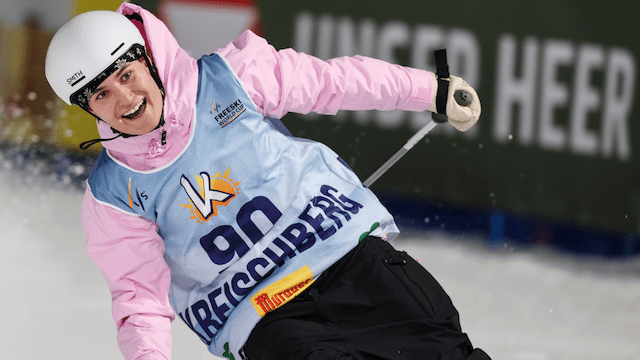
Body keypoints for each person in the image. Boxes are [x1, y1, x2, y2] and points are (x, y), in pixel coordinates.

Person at [45, 3, 487, 360]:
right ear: (88, 108)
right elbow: (138, 296)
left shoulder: (230, 79)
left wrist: (427, 89)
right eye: (101, 94)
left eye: (126, 75)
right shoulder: (113, 196)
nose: (125, 99)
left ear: (148, 58)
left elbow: (331, 82)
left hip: (354, 264)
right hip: (264, 320)